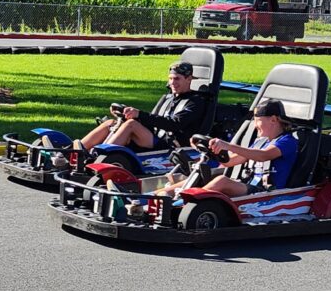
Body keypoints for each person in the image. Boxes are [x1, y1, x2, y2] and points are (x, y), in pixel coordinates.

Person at [158, 99, 298, 198]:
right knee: (200, 177)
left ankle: (184, 203)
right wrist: (211, 149)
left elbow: (263, 156)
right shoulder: (260, 142)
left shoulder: (287, 141)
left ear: (273, 120)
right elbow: (228, 162)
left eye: (257, 121)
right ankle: (158, 196)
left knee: (221, 181)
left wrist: (227, 145)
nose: (255, 126)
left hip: (265, 192)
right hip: (247, 185)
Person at [74, 61, 207, 152]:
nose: (172, 83)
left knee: (131, 124)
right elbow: (153, 119)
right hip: (154, 136)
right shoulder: (167, 98)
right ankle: (77, 151)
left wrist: (138, 115)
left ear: (189, 79)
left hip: (170, 144)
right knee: (111, 122)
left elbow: (175, 124)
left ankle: (100, 154)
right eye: (170, 78)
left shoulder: (195, 102)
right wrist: (127, 113)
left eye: (177, 79)